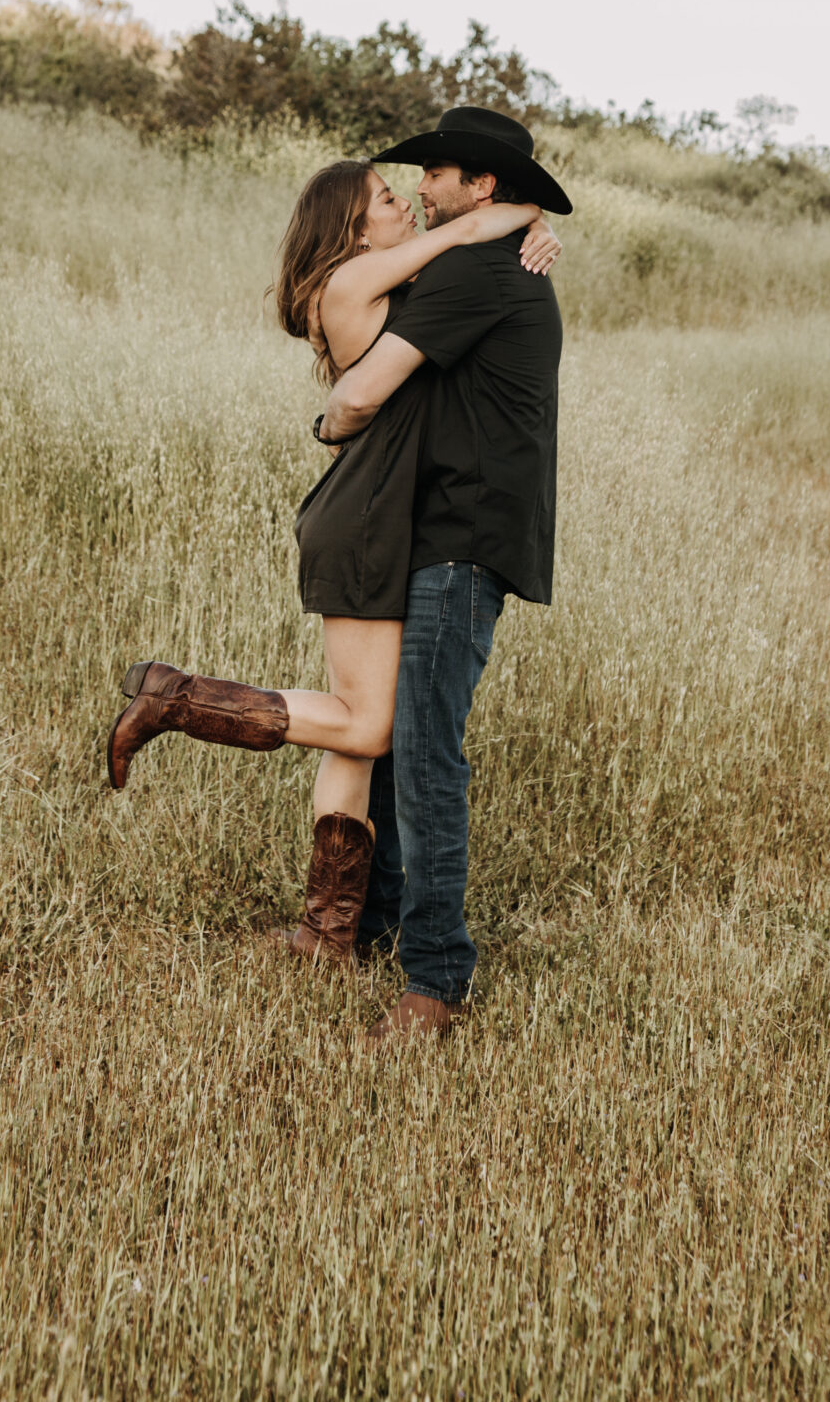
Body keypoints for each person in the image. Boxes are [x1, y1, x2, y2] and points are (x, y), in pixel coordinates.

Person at [106, 147, 560, 975]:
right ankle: (177, 698)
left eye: (405, 194)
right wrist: (505, 219)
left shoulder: (373, 283)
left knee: (354, 739)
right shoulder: (351, 284)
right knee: (370, 724)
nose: (405, 206)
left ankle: (328, 932)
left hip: (377, 510)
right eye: (386, 199)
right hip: (366, 517)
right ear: (351, 229)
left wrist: (526, 223)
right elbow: (366, 380)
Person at [320, 106, 568, 1041]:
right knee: (393, 741)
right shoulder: (482, 255)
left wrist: (327, 429)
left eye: (436, 176)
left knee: (424, 754)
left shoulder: (474, 272)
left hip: (460, 540)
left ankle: (434, 979)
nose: (421, 189)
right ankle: (376, 922)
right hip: (437, 534)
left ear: (484, 188)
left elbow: (360, 392)